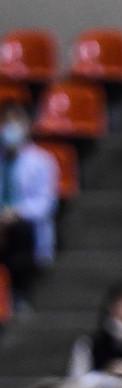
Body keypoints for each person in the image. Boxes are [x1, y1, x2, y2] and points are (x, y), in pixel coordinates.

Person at [0, 100, 58, 302]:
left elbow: (46, 203)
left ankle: (19, 294)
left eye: (16, 120)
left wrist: (16, 213)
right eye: (5, 121)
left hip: (24, 229)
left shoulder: (42, 160)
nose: (10, 126)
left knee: (21, 231)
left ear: (28, 125)